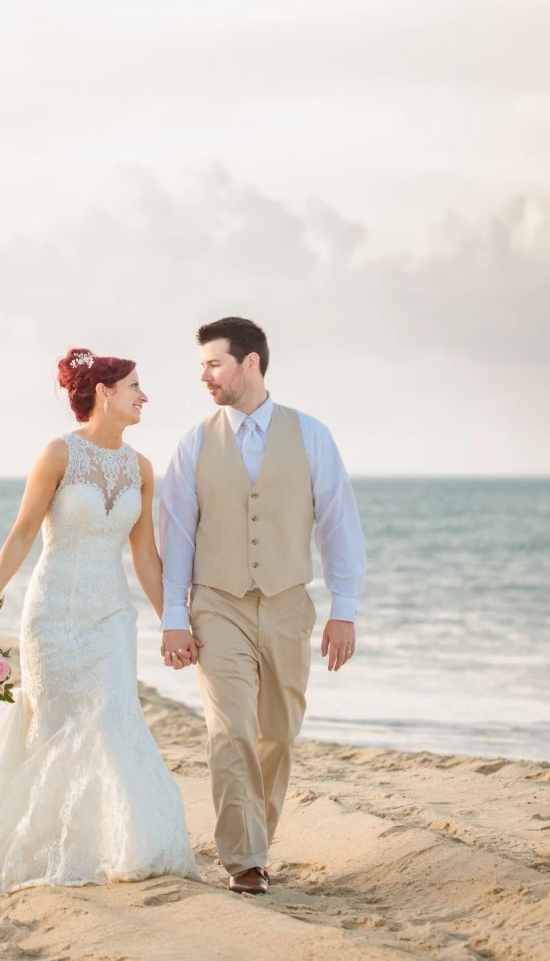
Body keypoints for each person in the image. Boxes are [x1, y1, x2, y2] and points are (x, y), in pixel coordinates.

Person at [0, 348, 197, 893]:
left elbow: (145, 556)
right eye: (135, 385)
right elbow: (21, 535)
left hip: (111, 615)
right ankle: (47, 848)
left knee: (111, 716)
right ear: (105, 393)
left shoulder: (141, 468)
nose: (144, 396)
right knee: (58, 725)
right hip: (54, 614)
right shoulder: (58, 454)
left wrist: (172, 621)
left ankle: (125, 846)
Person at [158, 316, 366, 895]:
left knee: (278, 732)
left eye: (213, 363)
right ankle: (244, 861)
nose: (204, 375)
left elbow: (338, 524)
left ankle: (258, 841)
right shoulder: (194, 442)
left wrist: (343, 608)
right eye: (201, 365)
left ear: (250, 363)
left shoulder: (313, 436)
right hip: (217, 605)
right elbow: (175, 537)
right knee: (230, 732)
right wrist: (175, 618)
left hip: (287, 604)